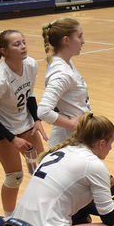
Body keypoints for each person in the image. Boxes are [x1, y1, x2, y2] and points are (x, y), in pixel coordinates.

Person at [11, 113, 114, 226]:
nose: (111, 148)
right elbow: (109, 218)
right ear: (101, 143)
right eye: (110, 143)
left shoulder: (57, 152)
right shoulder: (94, 164)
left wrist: (109, 207)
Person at [0, 30, 48, 217]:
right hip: (1, 130)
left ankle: (40, 212)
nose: (23, 46)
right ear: (4, 50)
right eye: (16, 44)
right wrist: (13, 139)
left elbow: (30, 93)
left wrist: (37, 119)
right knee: (14, 176)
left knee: (40, 171)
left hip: (25, 123)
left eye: (23, 42)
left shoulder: (31, 65)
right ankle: (9, 218)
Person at [37, 17, 91, 148]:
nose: (83, 41)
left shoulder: (64, 62)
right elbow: (43, 111)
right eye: (79, 37)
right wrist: (72, 124)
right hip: (67, 141)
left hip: (75, 137)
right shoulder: (62, 74)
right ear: (66, 40)